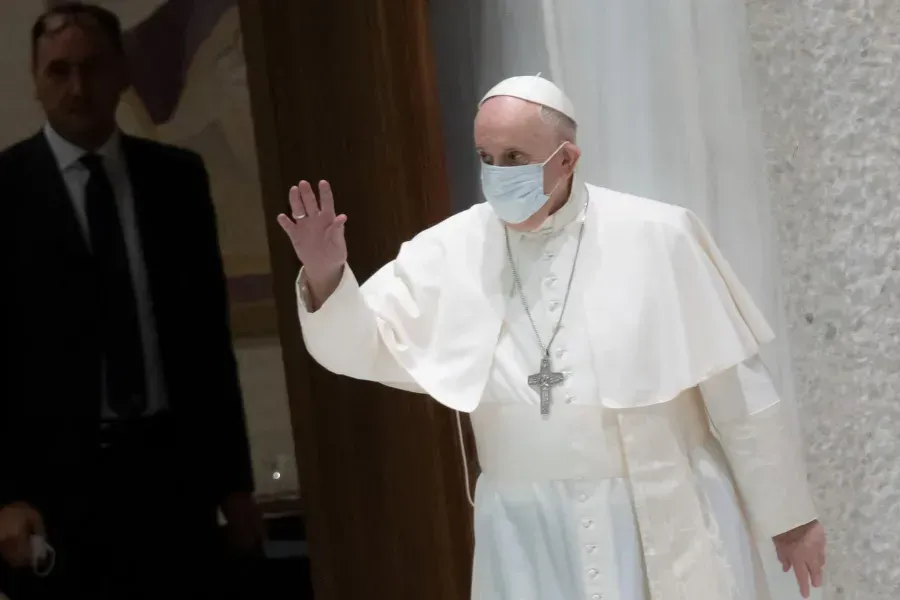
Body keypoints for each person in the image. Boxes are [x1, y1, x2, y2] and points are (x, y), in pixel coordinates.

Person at [279, 75, 827, 600]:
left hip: (653, 510)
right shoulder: (448, 250)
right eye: (486, 158)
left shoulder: (658, 235)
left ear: (566, 159)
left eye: (514, 158)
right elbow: (359, 346)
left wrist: (790, 518)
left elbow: (739, 391)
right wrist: (327, 275)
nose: (497, 174)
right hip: (525, 532)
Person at [0, 3, 262, 598]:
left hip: (170, 472)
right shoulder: (7, 191)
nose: (77, 87)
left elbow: (206, 343)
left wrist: (234, 483)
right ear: (36, 82)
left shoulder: (176, 179)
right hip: (56, 487)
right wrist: (5, 495)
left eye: (92, 68)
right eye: (59, 71)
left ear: (121, 72)